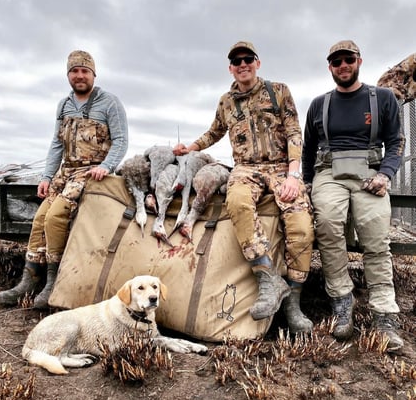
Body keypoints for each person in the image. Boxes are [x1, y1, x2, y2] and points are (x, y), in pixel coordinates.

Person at [174, 41, 315, 333]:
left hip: (279, 168)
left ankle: (293, 303)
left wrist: (292, 175)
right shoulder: (226, 101)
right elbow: (214, 131)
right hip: (246, 169)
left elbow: (293, 132)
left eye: (247, 58)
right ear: (230, 68)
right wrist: (190, 147)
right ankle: (267, 278)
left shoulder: (279, 91)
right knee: (236, 201)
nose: (242, 64)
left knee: (300, 224)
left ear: (257, 63)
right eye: (236, 61)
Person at [0, 50, 128, 308]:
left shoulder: (110, 102)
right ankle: (29, 280)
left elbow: (121, 141)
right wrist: (47, 176)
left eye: (85, 71)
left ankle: (53, 283)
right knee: (39, 219)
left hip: (91, 173)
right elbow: (57, 145)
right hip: (64, 173)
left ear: (93, 74)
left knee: (56, 216)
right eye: (74, 71)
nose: (79, 76)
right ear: (68, 74)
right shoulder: (64, 104)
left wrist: (106, 166)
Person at [302, 40, 406, 351]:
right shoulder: (319, 105)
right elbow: (308, 149)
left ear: (359, 61)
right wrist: (308, 184)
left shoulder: (383, 99)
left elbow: (396, 143)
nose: (343, 66)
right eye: (336, 62)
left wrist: (385, 175)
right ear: (330, 67)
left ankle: (384, 314)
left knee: (376, 237)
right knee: (329, 226)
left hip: (369, 174)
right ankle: (341, 301)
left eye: (348, 59)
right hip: (329, 174)